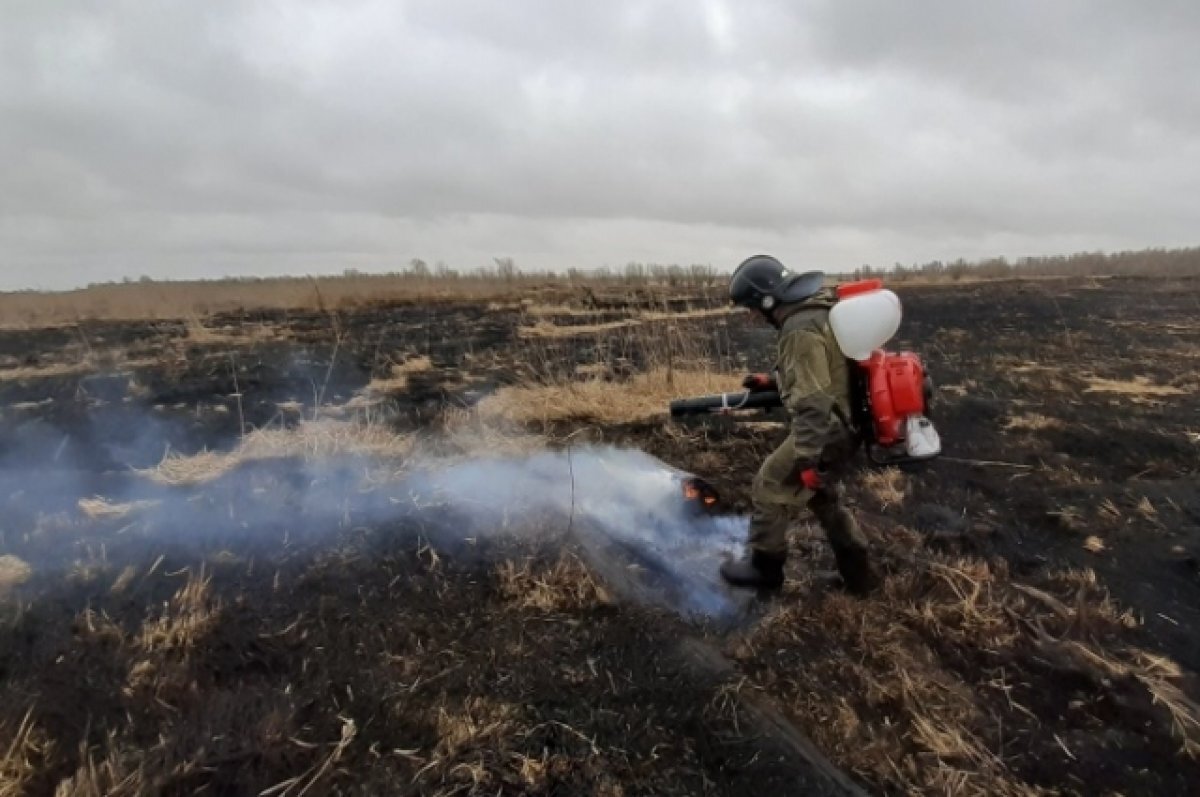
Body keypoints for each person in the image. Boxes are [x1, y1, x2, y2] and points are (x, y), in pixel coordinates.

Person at [719, 255, 877, 596]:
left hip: (826, 430)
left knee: (770, 484)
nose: (752, 316)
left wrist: (807, 456)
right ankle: (860, 579)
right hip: (846, 423)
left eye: (752, 307)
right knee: (823, 500)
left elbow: (814, 400)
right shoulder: (819, 311)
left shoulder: (799, 329)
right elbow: (824, 372)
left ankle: (765, 571)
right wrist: (774, 381)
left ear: (766, 298)